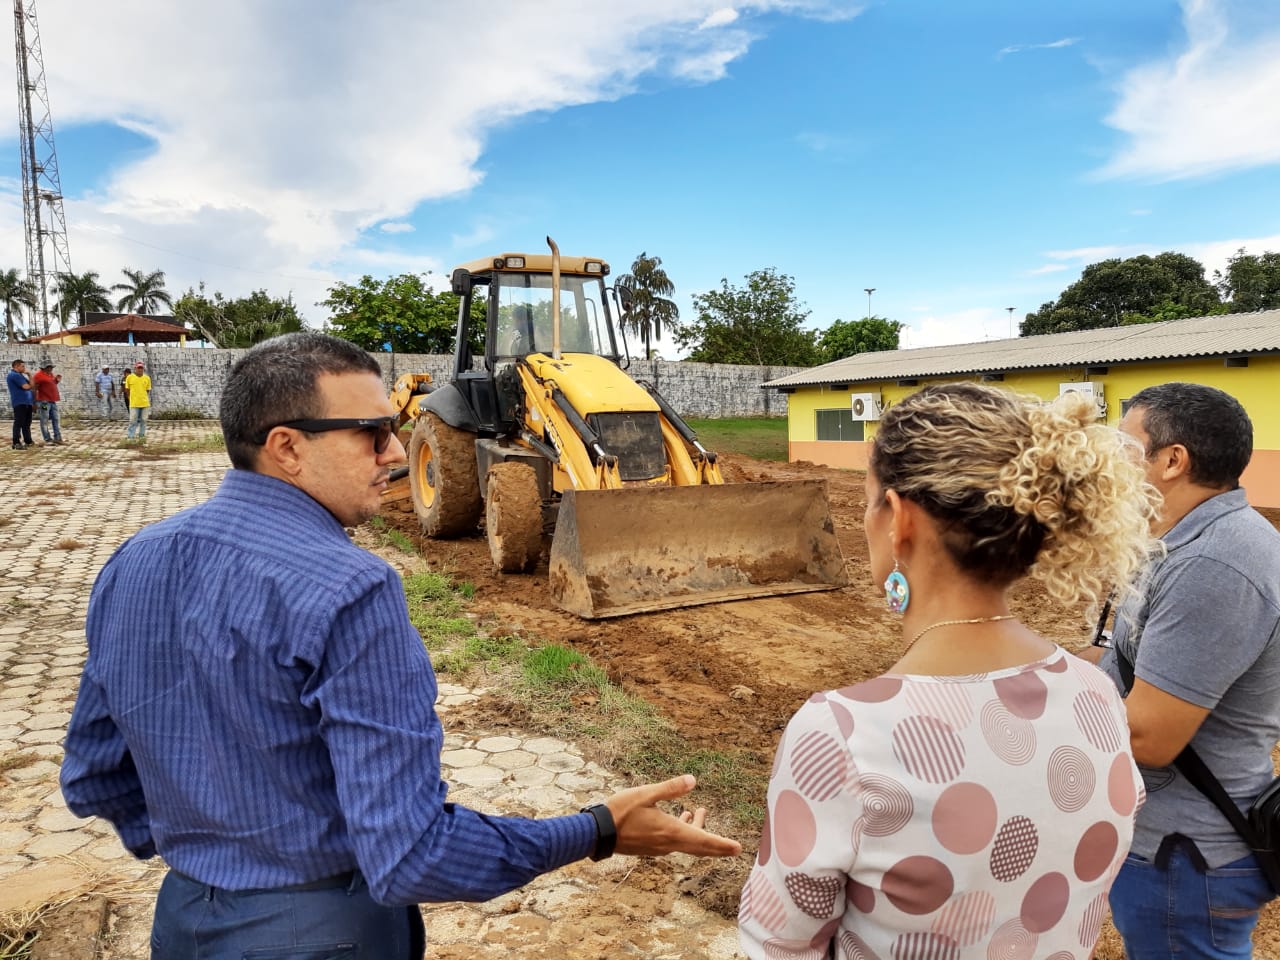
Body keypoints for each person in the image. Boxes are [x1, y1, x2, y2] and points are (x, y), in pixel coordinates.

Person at [61, 331, 740, 959]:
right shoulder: (349, 588)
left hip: (183, 922)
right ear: (287, 447)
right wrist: (599, 828)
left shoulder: (134, 561)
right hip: (326, 933)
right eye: (372, 433)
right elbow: (411, 855)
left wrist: (213, 852)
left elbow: (92, 777)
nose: (393, 451)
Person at [739, 382, 1159, 959]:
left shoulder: (841, 734)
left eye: (868, 501)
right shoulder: (1097, 696)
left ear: (899, 519)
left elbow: (779, 946)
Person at [1079, 382, 1280, 959]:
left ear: (1171, 461)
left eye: (1125, 450)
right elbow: (1125, 666)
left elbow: (1150, 733)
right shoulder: (1179, 544)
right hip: (1173, 849)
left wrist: (1043, 713)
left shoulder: (1215, 564)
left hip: (1184, 859)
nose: (1111, 466)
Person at [32, 361, 64, 445]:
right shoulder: (38, 376)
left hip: (52, 401)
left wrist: (56, 381)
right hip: (44, 402)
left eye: (51, 367)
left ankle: (57, 437)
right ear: (44, 368)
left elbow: (51, 384)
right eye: (49, 367)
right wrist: (34, 402)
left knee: (56, 419)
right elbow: (34, 389)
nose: (51, 369)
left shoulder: (50, 374)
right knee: (44, 419)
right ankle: (47, 439)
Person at [7, 358, 35, 450]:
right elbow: (26, 387)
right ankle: (16, 442)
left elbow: (32, 385)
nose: (24, 368)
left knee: (27, 423)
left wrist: (29, 375)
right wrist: (30, 377)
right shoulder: (14, 375)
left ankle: (28, 441)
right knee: (18, 422)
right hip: (20, 402)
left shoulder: (21, 376)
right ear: (16, 366)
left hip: (27, 402)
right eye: (22, 366)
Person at [123, 360, 152, 439]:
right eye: (138, 368)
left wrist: (142, 396)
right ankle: (130, 437)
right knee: (133, 421)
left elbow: (147, 390)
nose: (140, 369)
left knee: (144, 421)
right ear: (135, 368)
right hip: (134, 403)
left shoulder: (147, 378)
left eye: (141, 368)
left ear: (143, 369)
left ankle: (141, 436)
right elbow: (127, 389)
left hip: (144, 403)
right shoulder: (130, 377)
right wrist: (130, 398)